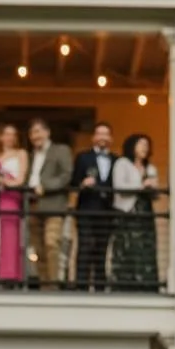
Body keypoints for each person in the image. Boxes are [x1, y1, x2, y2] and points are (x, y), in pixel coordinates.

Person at [69, 122, 118, 291]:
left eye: (106, 134)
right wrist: (83, 183)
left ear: (110, 138)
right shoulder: (83, 157)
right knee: (85, 247)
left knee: (102, 249)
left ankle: (100, 286)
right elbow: (73, 183)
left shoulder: (116, 160)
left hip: (107, 211)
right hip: (87, 209)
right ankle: (81, 286)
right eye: (99, 134)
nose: (102, 137)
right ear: (94, 138)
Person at [27, 119, 73, 289]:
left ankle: (53, 286)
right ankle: (43, 285)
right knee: (38, 249)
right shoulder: (31, 155)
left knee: (51, 243)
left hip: (54, 206)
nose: (35, 136)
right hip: (33, 206)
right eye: (32, 133)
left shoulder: (61, 150)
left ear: (47, 132)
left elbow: (66, 175)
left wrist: (45, 187)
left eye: (38, 131)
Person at [110, 133, 159, 292]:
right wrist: (141, 185)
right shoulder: (122, 163)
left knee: (145, 250)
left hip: (145, 214)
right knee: (127, 248)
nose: (145, 147)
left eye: (147, 145)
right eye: (141, 144)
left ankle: (146, 285)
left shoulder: (150, 168)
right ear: (132, 146)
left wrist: (153, 188)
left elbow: (156, 195)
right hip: (127, 213)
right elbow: (119, 186)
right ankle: (124, 285)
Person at [0, 123, 30, 286]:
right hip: (1, 199)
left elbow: (20, 179)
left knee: (14, 236)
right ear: (0, 137)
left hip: (14, 198)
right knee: (1, 236)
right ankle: (2, 273)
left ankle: (14, 274)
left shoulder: (21, 153)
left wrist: (4, 181)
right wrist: (5, 181)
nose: (9, 138)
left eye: (13, 135)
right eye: (6, 134)